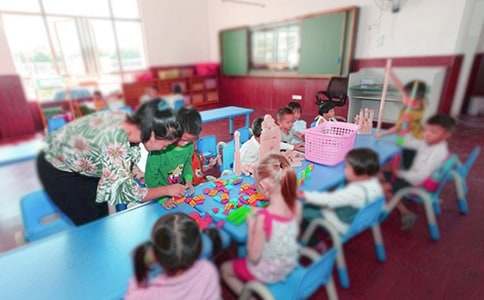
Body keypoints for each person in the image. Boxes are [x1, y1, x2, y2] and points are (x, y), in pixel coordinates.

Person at [37, 99, 186, 225]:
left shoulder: (133, 124)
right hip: (56, 167)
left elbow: (124, 155)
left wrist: (135, 171)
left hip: (82, 161)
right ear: (152, 134)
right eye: (166, 144)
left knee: (100, 215)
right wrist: (168, 189)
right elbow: (130, 193)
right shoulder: (115, 140)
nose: (164, 149)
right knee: (89, 224)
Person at [221, 154, 301, 296]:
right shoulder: (296, 205)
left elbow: (253, 257)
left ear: (264, 186)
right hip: (288, 262)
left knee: (225, 269)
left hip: (269, 272)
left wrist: (252, 225)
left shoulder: (263, 219)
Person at [384, 114, 455, 230]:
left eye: (433, 132)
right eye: (426, 130)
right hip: (411, 174)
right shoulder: (429, 143)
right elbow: (404, 143)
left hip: (416, 183)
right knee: (379, 172)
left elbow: (419, 177)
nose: (426, 134)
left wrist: (397, 173)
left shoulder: (438, 152)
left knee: (380, 185)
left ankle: (404, 212)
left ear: (446, 135)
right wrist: (405, 129)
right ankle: (400, 207)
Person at [126, 213, 221, 300]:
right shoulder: (208, 271)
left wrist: (135, 282)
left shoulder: (146, 295)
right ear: (199, 247)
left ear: (156, 255)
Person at [301, 148, 383, 236]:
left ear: (360, 172)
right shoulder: (374, 182)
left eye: (346, 167)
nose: (344, 170)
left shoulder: (354, 192)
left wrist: (303, 195)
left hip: (343, 225)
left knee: (305, 209)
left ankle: (312, 241)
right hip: (359, 219)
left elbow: (328, 200)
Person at [145, 107, 202, 207]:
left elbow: (187, 164)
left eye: (191, 140)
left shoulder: (189, 146)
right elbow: (150, 179)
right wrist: (163, 199)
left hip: (178, 191)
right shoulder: (159, 150)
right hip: (159, 193)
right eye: (183, 139)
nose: (186, 144)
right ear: (175, 132)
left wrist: (188, 181)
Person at [377, 76, 427, 169]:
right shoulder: (421, 104)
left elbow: (398, 129)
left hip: (410, 143)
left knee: (404, 163)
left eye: (404, 96)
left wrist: (382, 133)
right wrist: (391, 74)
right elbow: (402, 88)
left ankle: (403, 174)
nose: (402, 98)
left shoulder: (408, 115)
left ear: (414, 99)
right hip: (418, 139)